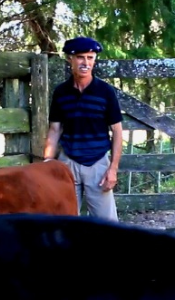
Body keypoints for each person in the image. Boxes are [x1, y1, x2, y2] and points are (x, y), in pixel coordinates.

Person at [43, 36, 123, 221]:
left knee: (107, 225)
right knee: (65, 221)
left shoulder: (105, 92)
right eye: (80, 57)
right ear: (70, 59)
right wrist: (47, 163)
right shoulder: (61, 92)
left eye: (90, 57)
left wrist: (113, 169)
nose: (85, 62)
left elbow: (117, 132)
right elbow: (55, 129)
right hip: (67, 162)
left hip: (98, 165)